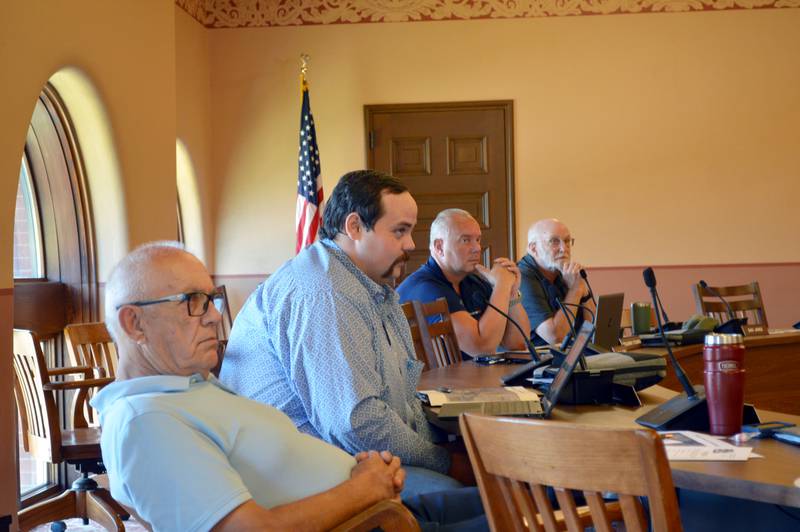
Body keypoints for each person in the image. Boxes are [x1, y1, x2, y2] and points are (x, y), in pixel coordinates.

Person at [92, 242, 487, 531]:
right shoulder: (145, 421)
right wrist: (365, 488)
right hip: (371, 519)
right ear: (134, 324)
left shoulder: (189, 389)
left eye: (211, 299)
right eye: (193, 302)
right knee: (533, 513)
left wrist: (367, 475)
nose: (215, 317)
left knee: (534, 492)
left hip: (381, 509)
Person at [219, 170, 461, 497]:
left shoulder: (365, 284)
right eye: (400, 231)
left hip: (347, 460)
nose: (411, 244)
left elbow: (396, 398)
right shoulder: (326, 292)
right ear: (354, 227)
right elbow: (357, 422)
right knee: (488, 499)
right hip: (303, 481)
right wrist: (445, 461)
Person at [397, 208, 531, 356]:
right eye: (465, 240)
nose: (477, 248)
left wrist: (511, 293)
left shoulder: (472, 281)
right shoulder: (426, 288)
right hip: (430, 379)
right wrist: (502, 285)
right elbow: (482, 348)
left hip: (469, 377)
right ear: (439, 247)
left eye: (478, 240)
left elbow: (519, 343)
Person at [518, 218, 594, 346]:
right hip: (536, 362)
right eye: (554, 241)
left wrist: (584, 292)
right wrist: (575, 291)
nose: (564, 249)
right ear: (534, 248)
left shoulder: (563, 271)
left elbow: (593, 328)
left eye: (567, 241)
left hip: (573, 354)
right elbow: (555, 337)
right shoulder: (522, 277)